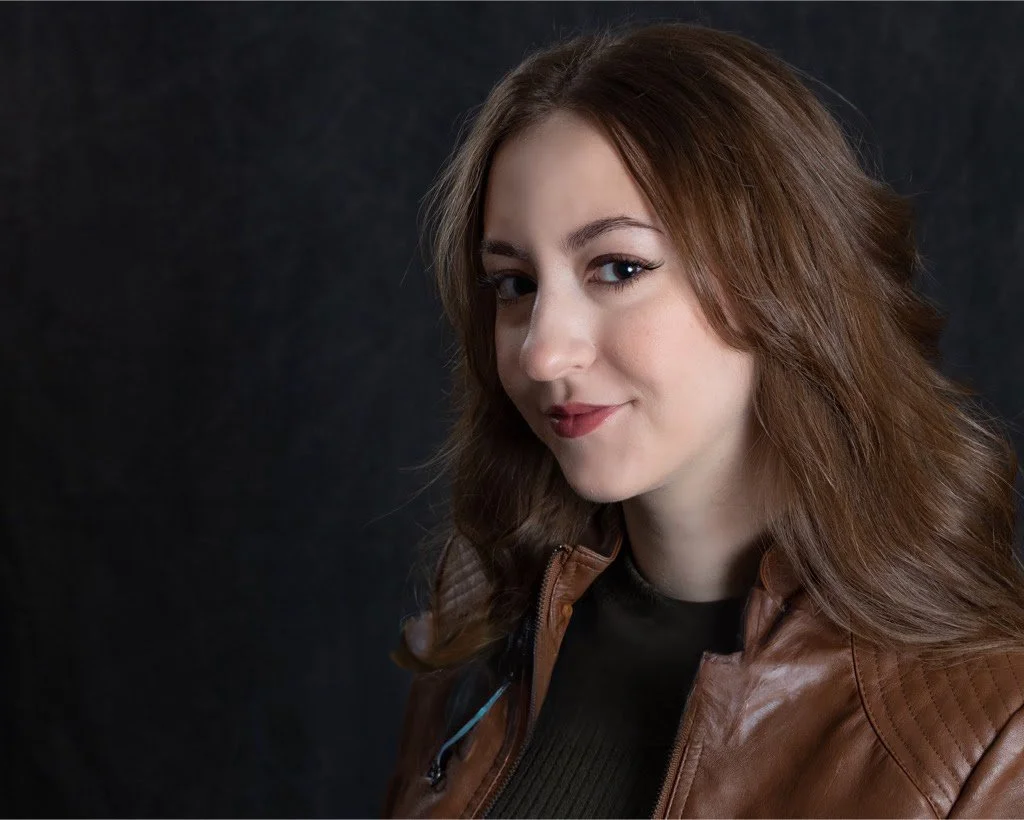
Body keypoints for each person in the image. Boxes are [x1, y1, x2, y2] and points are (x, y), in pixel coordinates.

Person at [382, 20, 1024, 819]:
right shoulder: (481, 629)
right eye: (514, 284)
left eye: (618, 268)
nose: (543, 352)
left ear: (781, 282)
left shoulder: (995, 731)